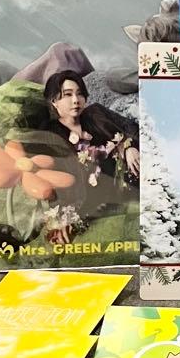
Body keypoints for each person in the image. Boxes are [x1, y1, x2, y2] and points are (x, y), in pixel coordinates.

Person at [43, 70, 140, 244]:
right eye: (67, 95)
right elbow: (57, 179)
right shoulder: (51, 136)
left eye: (80, 93)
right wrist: (62, 219)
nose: (76, 100)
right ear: (54, 101)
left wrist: (129, 146)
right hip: (96, 198)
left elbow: (131, 127)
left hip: (133, 175)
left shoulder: (95, 113)